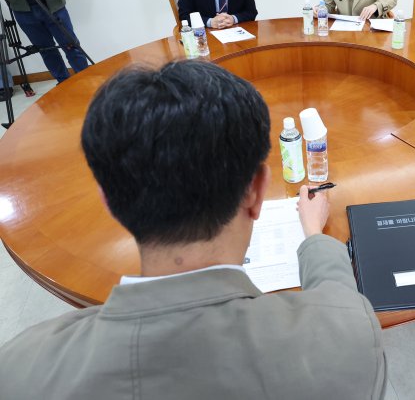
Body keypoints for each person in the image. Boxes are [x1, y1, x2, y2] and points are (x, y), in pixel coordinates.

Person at [0, 61, 387, 399]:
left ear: (109, 202)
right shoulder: (346, 342)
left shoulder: (21, 370)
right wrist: (315, 236)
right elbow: (340, 303)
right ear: (256, 190)